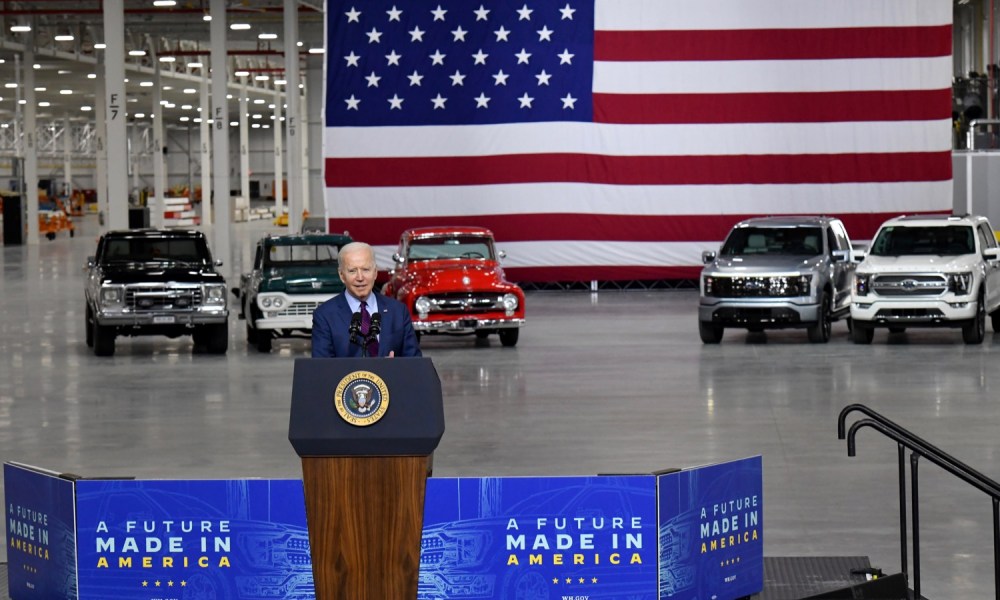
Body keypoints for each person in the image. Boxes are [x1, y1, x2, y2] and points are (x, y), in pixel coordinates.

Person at [311, 241, 422, 358]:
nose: (360, 278)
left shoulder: (398, 311)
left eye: (366, 270)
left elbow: (415, 363)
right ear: (342, 275)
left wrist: (394, 369)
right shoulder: (325, 315)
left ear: (375, 272)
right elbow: (322, 369)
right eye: (352, 271)